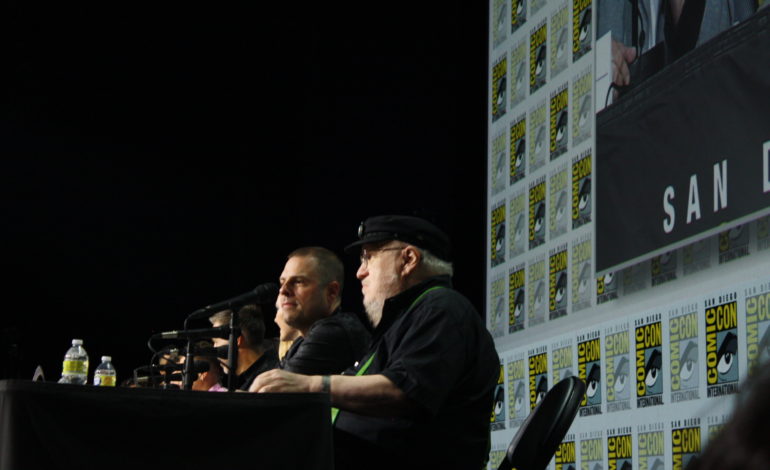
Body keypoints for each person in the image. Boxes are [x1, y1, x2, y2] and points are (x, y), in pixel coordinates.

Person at [251, 215, 500, 470]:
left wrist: (310, 385)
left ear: (408, 259)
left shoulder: (442, 308)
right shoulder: (401, 321)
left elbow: (404, 391)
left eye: (369, 257)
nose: (360, 272)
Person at [275, 246, 370, 375]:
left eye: (298, 282)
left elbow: (276, 385)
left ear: (331, 292)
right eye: (282, 283)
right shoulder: (302, 340)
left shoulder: (332, 333)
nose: (283, 290)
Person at [207, 304, 279, 391]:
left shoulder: (270, 381)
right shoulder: (250, 380)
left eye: (216, 342)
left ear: (236, 340)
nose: (214, 347)